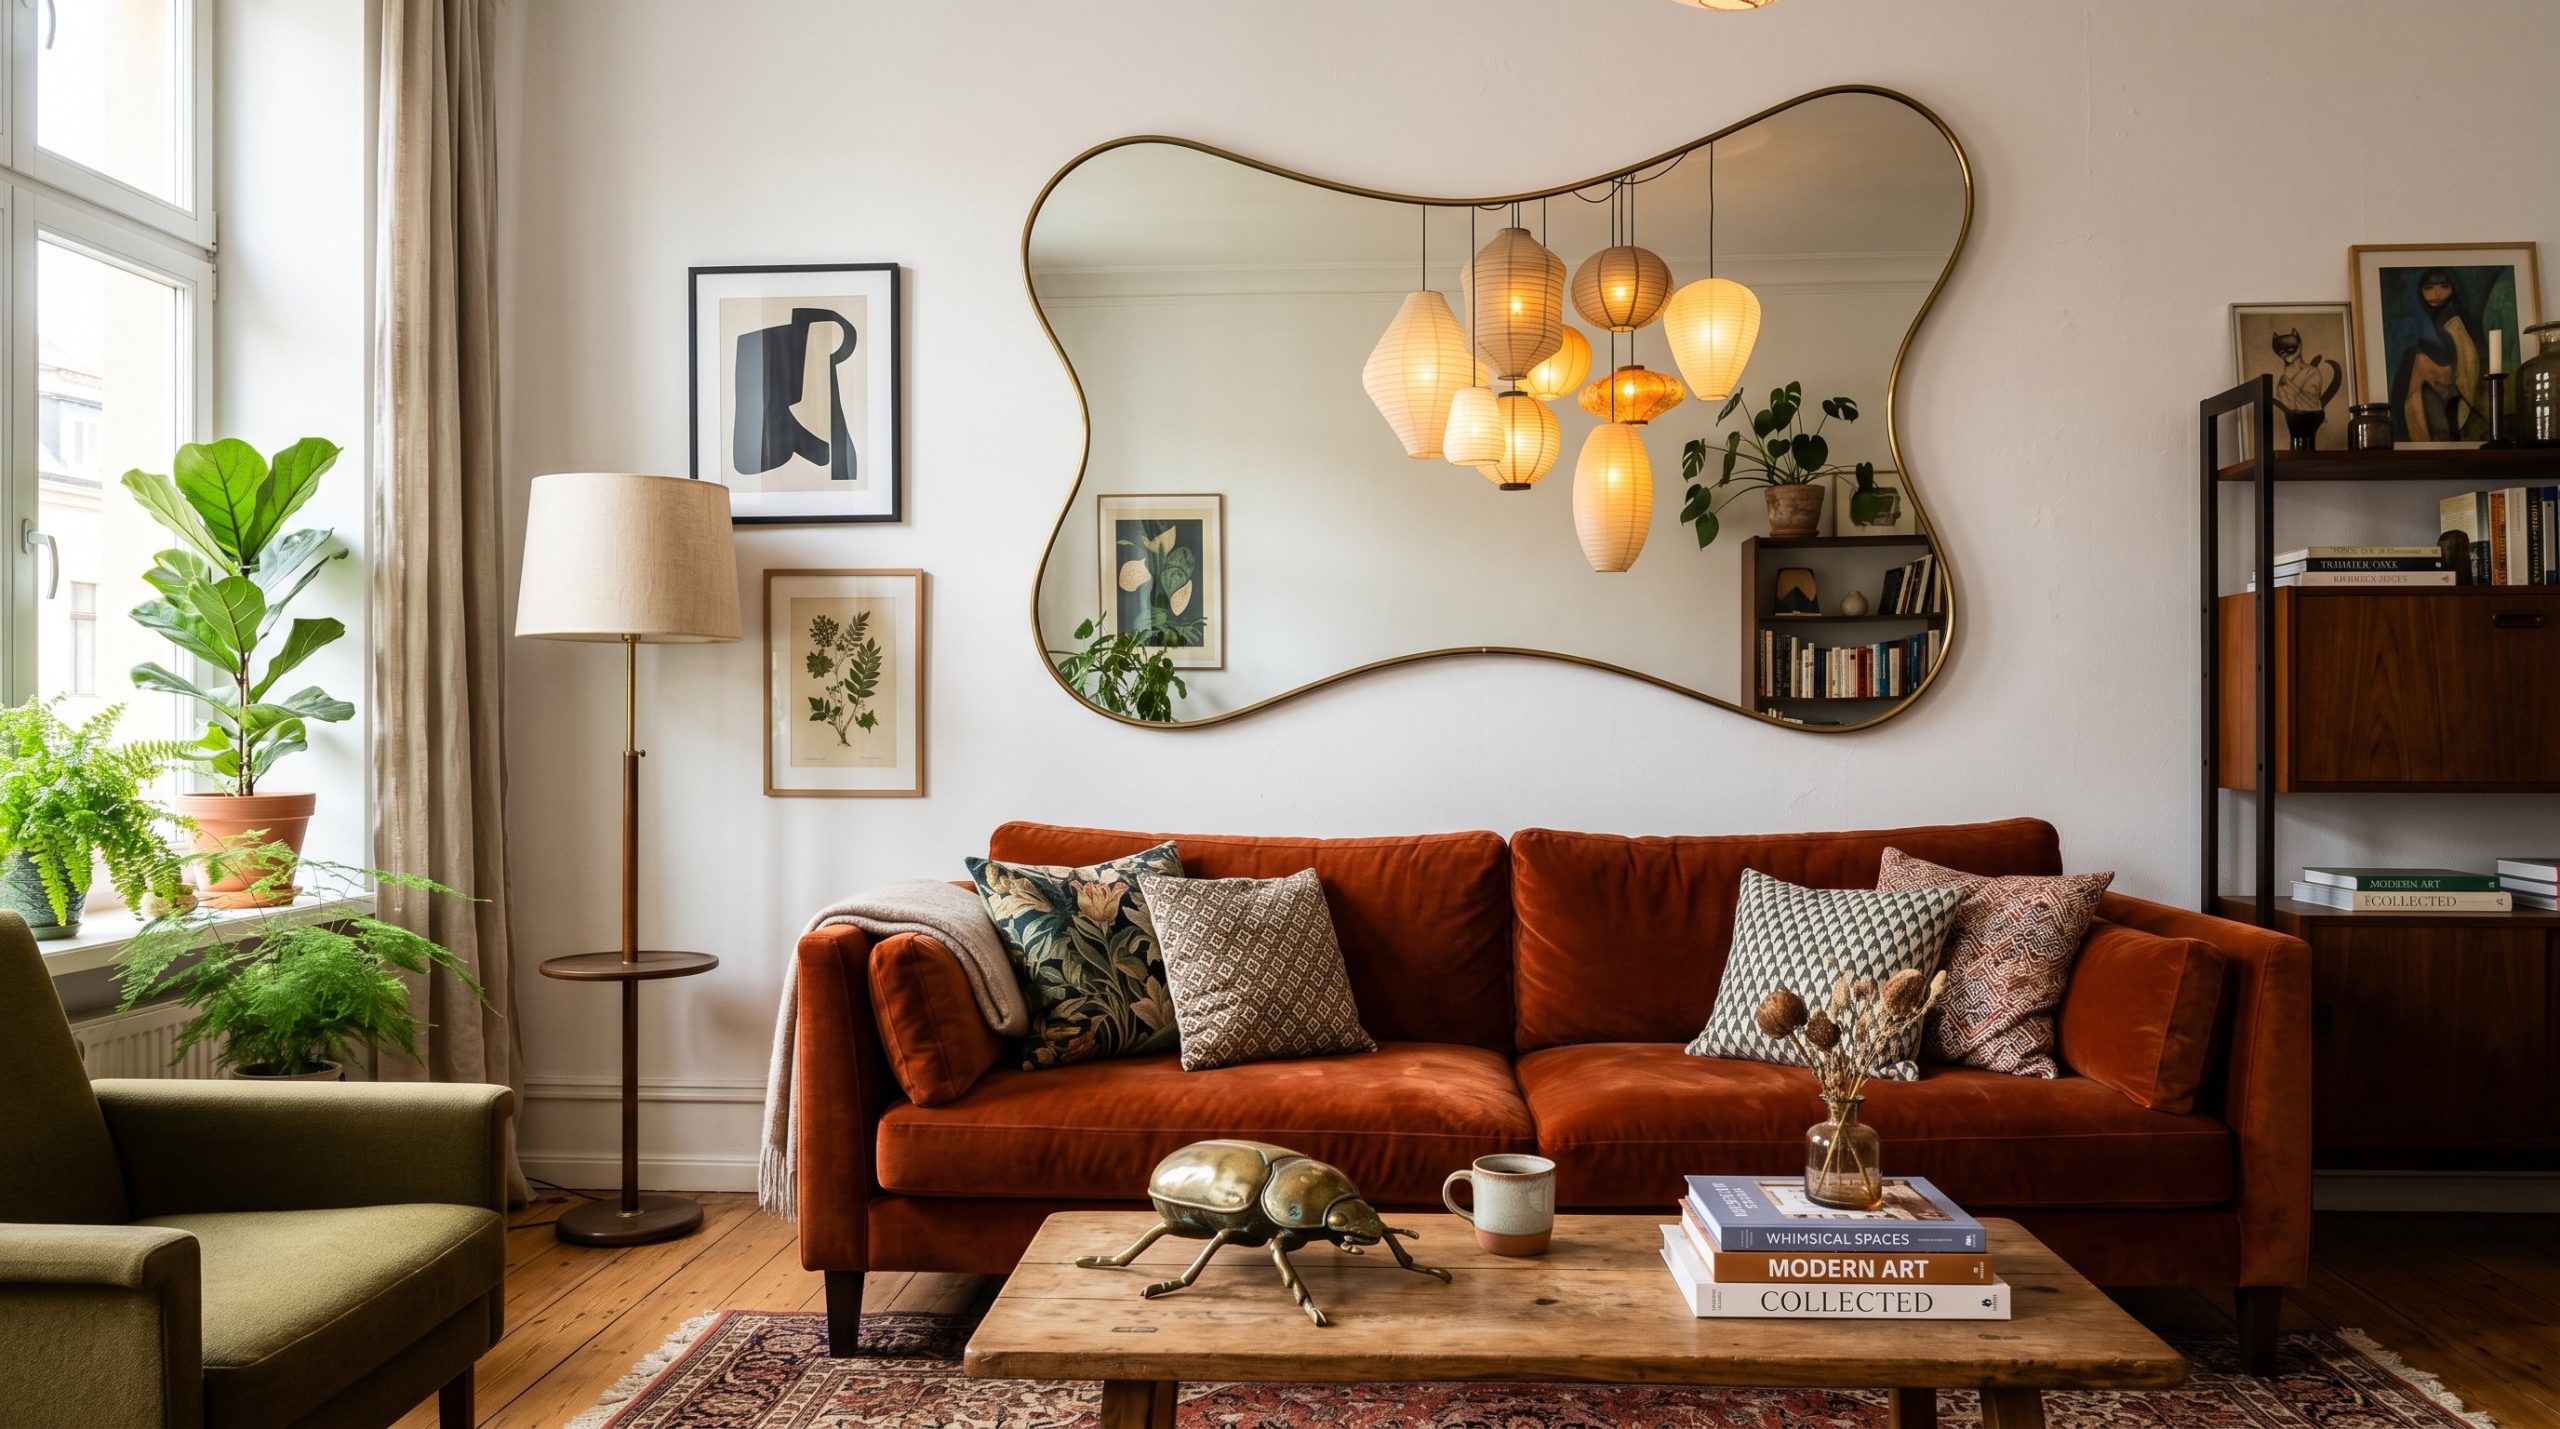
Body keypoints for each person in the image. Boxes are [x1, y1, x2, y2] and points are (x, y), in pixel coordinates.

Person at [2389, 268, 2486, 442]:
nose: (2436, 293)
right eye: (2429, 287)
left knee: (2414, 358)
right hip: (2444, 377)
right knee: (2412, 369)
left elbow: (2468, 361)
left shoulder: (2452, 318)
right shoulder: (2441, 315)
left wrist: (2460, 388)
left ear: (2453, 288)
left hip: (2458, 379)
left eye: (2444, 286)